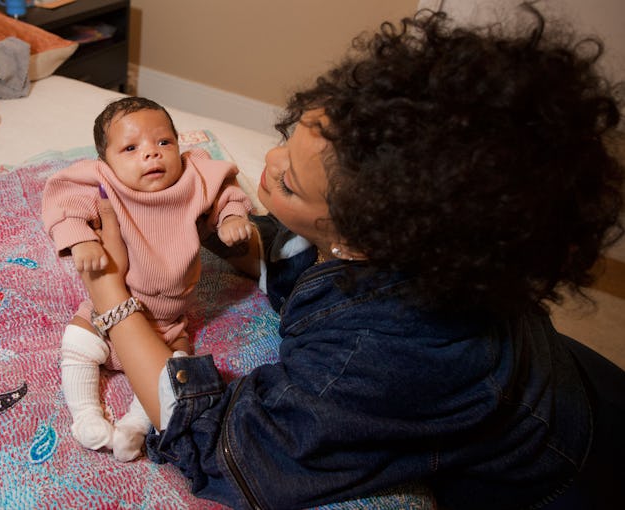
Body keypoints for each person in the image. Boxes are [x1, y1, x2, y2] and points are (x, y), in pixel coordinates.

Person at [77, 5, 625, 509]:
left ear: (366, 234)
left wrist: (111, 292)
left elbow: (222, 442)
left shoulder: (376, 354)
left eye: (287, 180)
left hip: (566, 479)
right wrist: (204, 223)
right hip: (575, 381)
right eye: (285, 139)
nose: (266, 160)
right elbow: (294, 255)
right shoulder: (414, 252)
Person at [41, 97, 253, 462]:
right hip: (106, 314)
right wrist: (81, 239)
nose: (152, 154)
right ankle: (86, 417)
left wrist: (231, 217)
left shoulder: (194, 176)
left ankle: (135, 427)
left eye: (163, 142)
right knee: (77, 341)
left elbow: (227, 191)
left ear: (179, 146)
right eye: (131, 147)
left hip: (167, 323)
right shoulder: (104, 184)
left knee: (178, 368)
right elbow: (64, 204)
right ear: (105, 163)